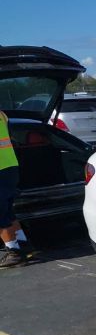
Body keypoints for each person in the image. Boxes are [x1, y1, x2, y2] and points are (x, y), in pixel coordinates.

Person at [0, 110, 29, 268]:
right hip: (10, 167)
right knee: (8, 211)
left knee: (1, 214)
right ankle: (22, 244)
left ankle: (14, 253)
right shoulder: (2, 114)